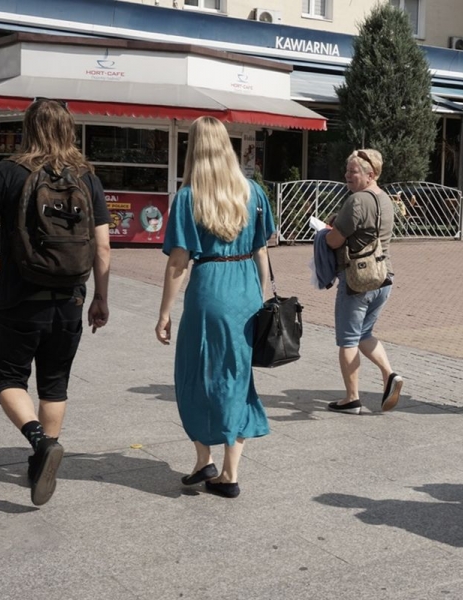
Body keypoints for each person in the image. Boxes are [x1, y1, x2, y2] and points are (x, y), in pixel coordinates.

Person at [0, 98, 111, 506]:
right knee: (54, 383)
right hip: (70, 299)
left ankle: (41, 443)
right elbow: (102, 247)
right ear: (69, 129)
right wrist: (100, 297)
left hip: (20, 298)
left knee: (6, 377)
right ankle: (41, 461)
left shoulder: (8, 171)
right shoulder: (87, 177)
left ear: (28, 128)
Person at [155, 116, 273, 499]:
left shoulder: (189, 197)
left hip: (209, 288)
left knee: (196, 374)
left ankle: (203, 458)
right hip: (246, 289)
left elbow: (178, 262)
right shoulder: (253, 192)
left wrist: (164, 312)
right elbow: (261, 250)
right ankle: (230, 473)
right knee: (238, 378)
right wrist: (262, 297)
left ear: (194, 148)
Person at [325, 149, 403, 415]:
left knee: (348, 340)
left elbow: (334, 240)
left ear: (371, 174)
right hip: (384, 277)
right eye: (347, 170)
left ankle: (351, 399)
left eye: (353, 171)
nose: (347, 175)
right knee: (364, 334)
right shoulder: (385, 199)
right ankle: (390, 374)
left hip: (358, 280)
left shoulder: (357, 200)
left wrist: (325, 233)